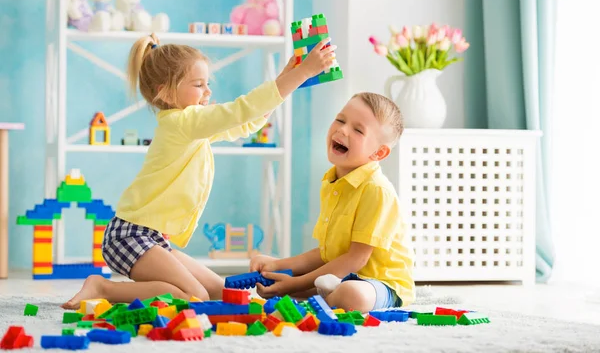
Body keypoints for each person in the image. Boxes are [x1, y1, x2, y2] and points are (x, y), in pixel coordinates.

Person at [62, 33, 336, 309]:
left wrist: (288, 78)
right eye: (198, 85)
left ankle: (140, 288)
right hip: (129, 237)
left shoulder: (191, 127)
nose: (208, 92)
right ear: (166, 92)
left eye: (207, 84)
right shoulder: (183, 123)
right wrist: (302, 73)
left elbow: (245, 123)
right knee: (193, 296)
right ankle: (103, 287)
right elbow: (242, 111)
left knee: (220, 290)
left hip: (150, 238)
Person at [250, 92, 415, 312]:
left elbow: (356, 259)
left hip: (379, 283)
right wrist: (278, 264)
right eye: (340, 119)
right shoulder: (332, 182)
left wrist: (297, 283)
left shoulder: (376, 190)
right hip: (342, 274)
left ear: (379, 152)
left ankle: (327, 293)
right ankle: (324, 293)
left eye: (358, 130)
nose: (342, 130)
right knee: (278, 280)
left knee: (350, 294)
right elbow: (326, 253)